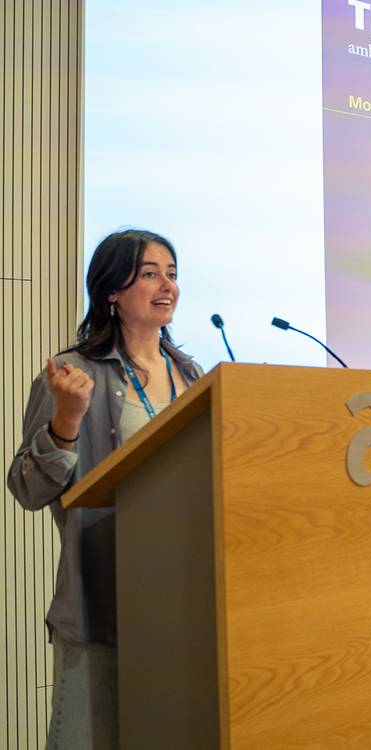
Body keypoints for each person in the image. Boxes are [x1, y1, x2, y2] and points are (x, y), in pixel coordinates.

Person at [7, 229, 203, 748]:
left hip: (185, 595)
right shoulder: (73, 373)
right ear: (112, 289)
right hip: (104, 598)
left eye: (173, 273)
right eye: (149, 273)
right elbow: (26, 487)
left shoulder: (193, 374)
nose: (168, 285)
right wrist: (66, 422)